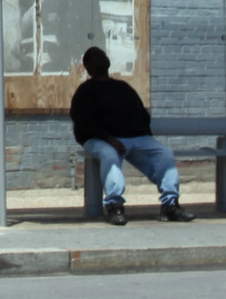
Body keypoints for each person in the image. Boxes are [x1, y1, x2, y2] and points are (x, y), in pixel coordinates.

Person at [69, 46, 195, 226]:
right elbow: (84, 121)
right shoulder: (85, 91)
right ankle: (115, 206)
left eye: (103, 55)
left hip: (136, 138)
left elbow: (142, 114)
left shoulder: (122, 87)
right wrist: (109, 138)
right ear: (87, 66)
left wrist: (144, 136)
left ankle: (170, 205)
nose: (102, 59)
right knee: (109, 155)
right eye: (96, 57)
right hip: (100, 140)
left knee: (164, 152)